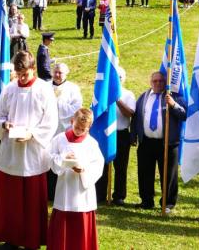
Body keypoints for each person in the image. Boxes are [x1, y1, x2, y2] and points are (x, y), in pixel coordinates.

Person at [0, 51, 59, 250]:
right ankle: (10, 238)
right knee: (10, 199)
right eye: (18, 74)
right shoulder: (10, 88)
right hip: (11, 151)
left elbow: (51, 121)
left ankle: (31, 239)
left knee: (32, 200)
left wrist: (32, 134)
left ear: (33, 69)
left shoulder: (44, 90)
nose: (21, 78)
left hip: (33, 153)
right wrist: (4, 125)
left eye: (24, 74)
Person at [47, 108, 104, 250]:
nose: (79, 131)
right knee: (63, 223)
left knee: (81, 224)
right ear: (72, 121)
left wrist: (83, 169)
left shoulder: (92, 143)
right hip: (65, 187)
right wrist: (63, 160)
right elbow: (50, 157)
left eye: (83, 129)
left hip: (82, 192)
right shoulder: (60, 139)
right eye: (77, 127)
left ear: (89, 127)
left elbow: (98, 164)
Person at [131, 71, 186, 212]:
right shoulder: (143, 97)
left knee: (168, 174)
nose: (158, 83)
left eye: (161, 81)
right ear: (150, 82)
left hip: (167, 143)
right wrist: (134, 136)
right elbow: (136, 117)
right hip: (146, 142)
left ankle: (168, 203)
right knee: (144, 173)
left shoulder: (173, 97)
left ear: (165, 82)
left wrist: (173, 105)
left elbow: (184, 114)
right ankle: (146, 201)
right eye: (155, 81)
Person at [95, 67, 135, 205]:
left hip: (121, 133)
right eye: (114, 77)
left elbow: (129, 114)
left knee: (121, 166)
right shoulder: (103, 94)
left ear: (123, 79)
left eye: (119, 77)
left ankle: (119, 196)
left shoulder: (128, 94)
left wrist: (117, 99)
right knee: (103, 164)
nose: (117, 80)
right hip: (105, 132)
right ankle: (100, 194)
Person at [48, 63, 83, 201]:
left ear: (66, 74)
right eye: (55, 72)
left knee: (63, 158)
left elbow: (76, 107)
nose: (57, 75)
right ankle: (49, 192)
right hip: (48, 129)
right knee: (49, 157)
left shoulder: (73, 89)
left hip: (65, 129)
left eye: (60, 73)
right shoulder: (45, 86)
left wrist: (57, 103)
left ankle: (62, 192)